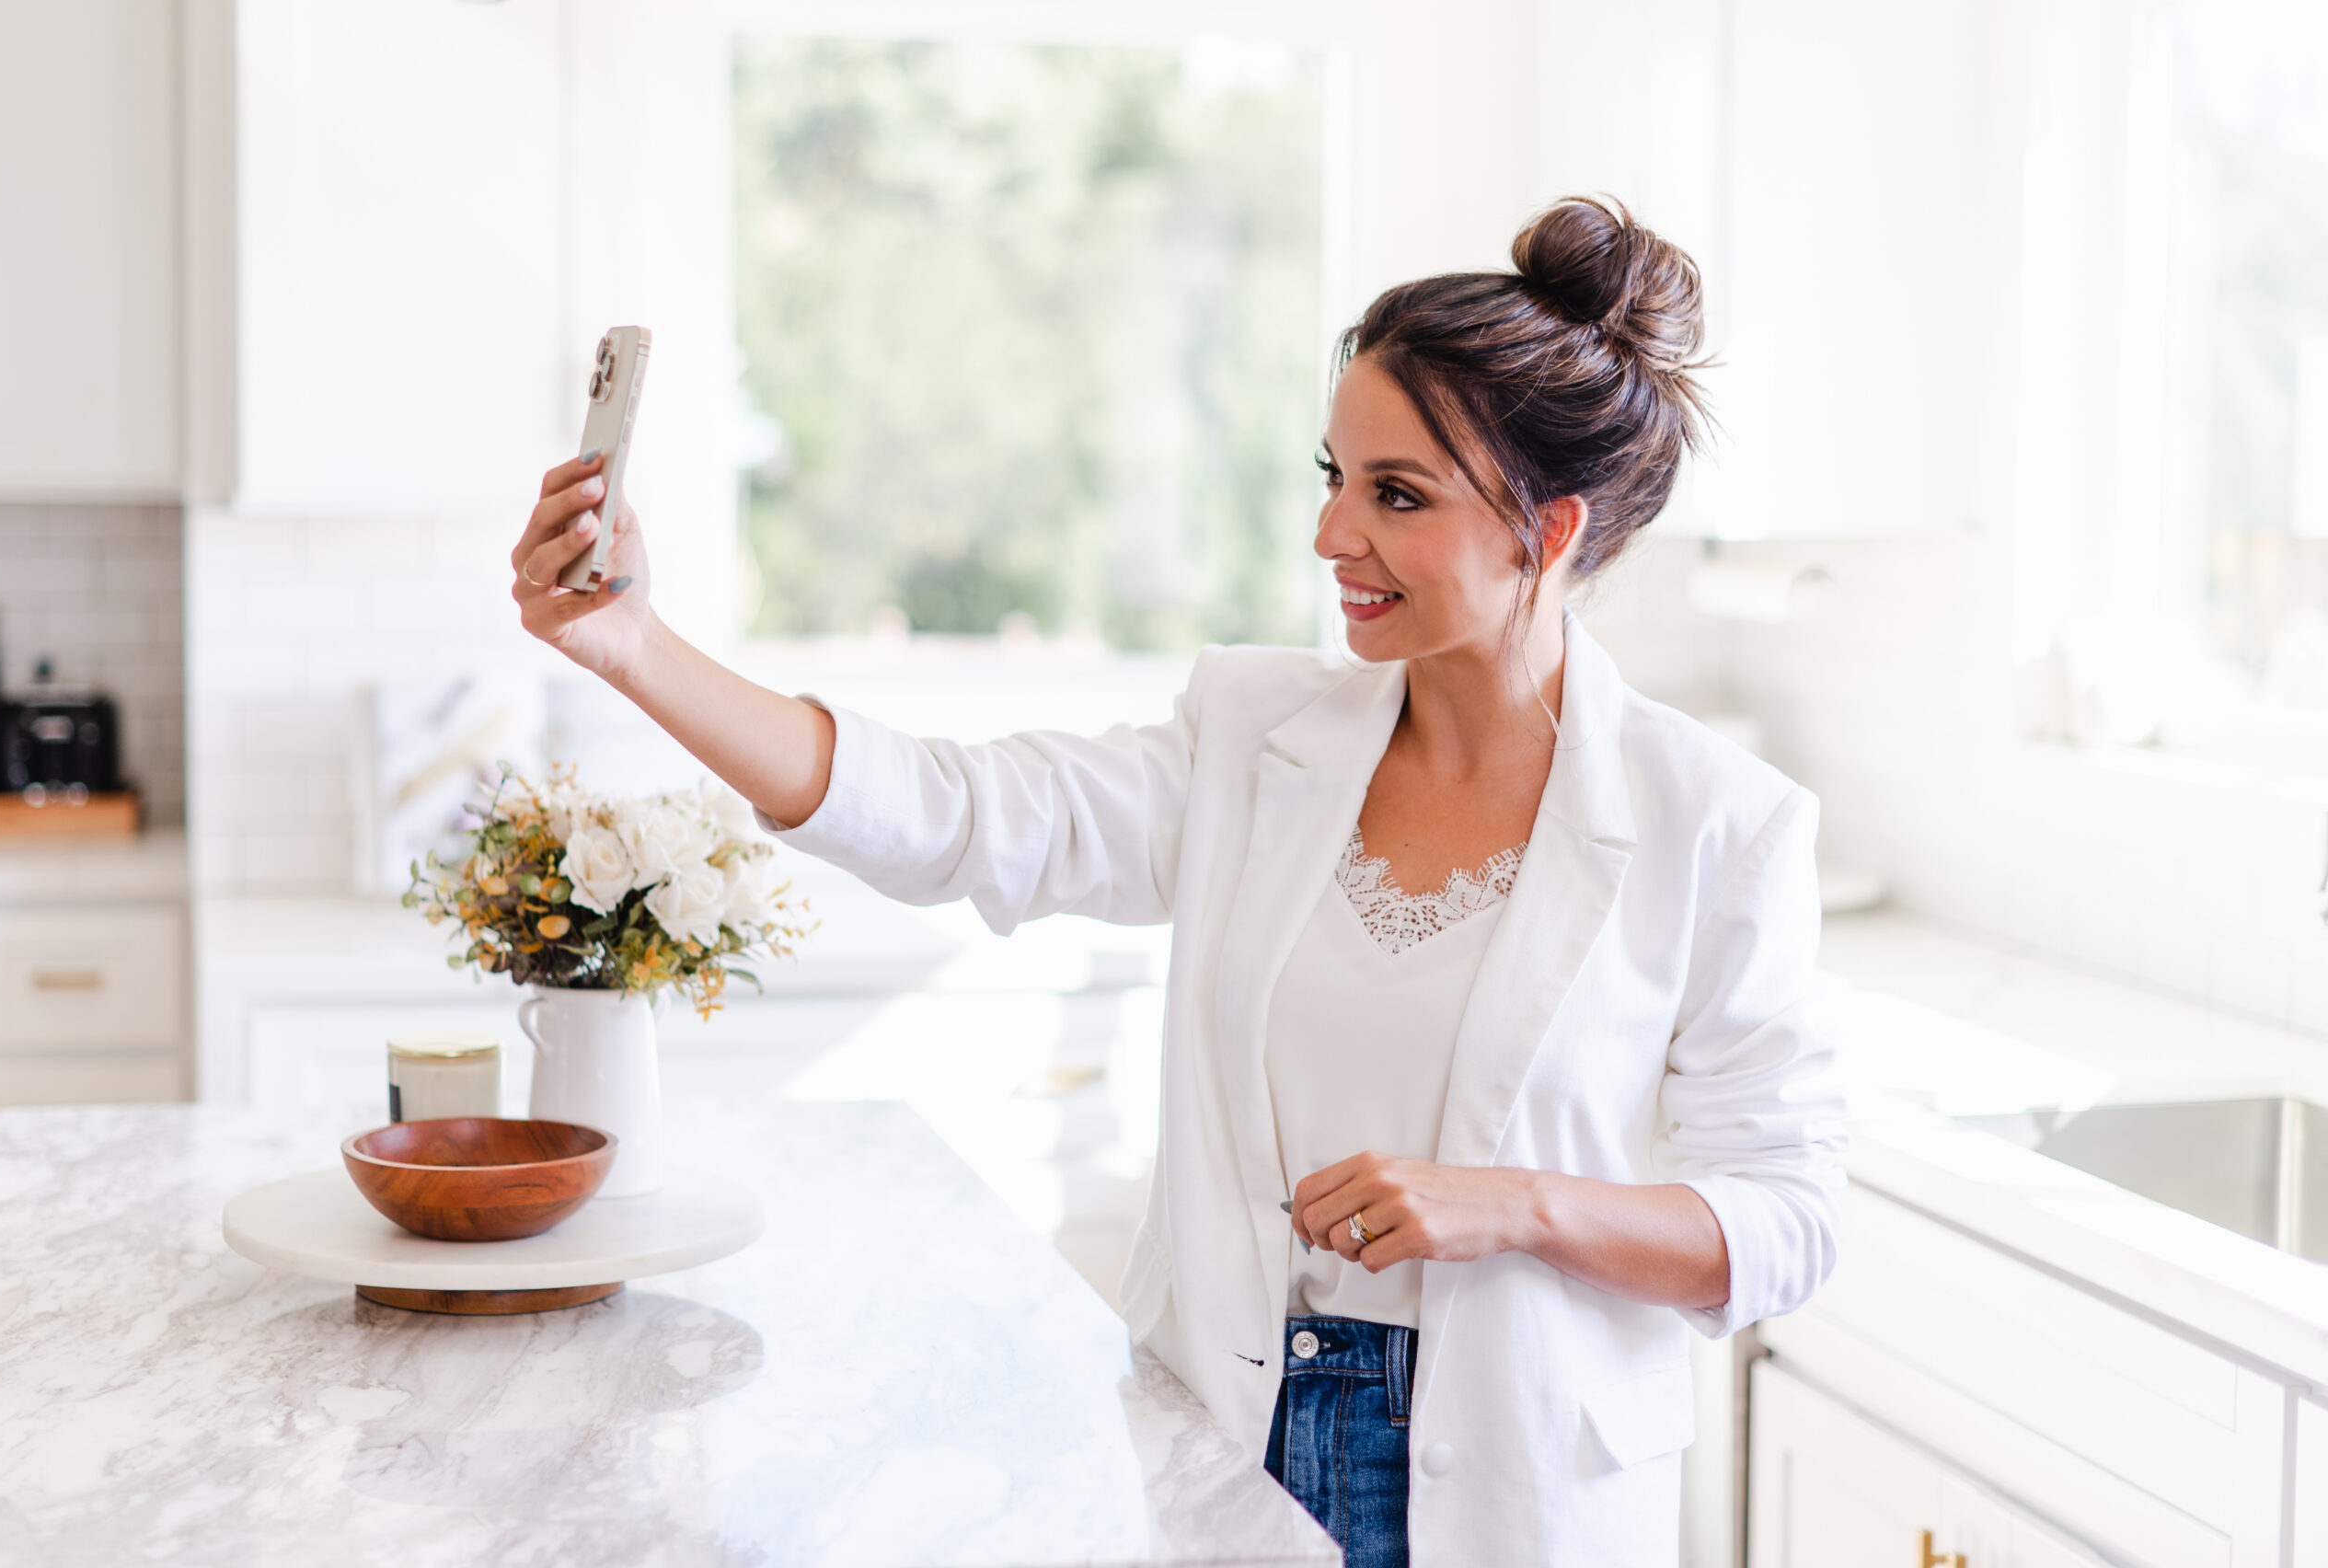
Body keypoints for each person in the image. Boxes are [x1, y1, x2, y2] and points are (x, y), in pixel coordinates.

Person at [510, 195, 1845, 1566]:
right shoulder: (1250, 737)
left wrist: (1512, 1203)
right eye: (1330, 474)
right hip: (1235, 1436)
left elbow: (1787, 1222)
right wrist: (637, 650)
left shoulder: (1715, 825)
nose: (1333, 534)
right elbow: (957, 817)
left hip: (1521, 1484)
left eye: (1397, 495)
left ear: (1547, 534)